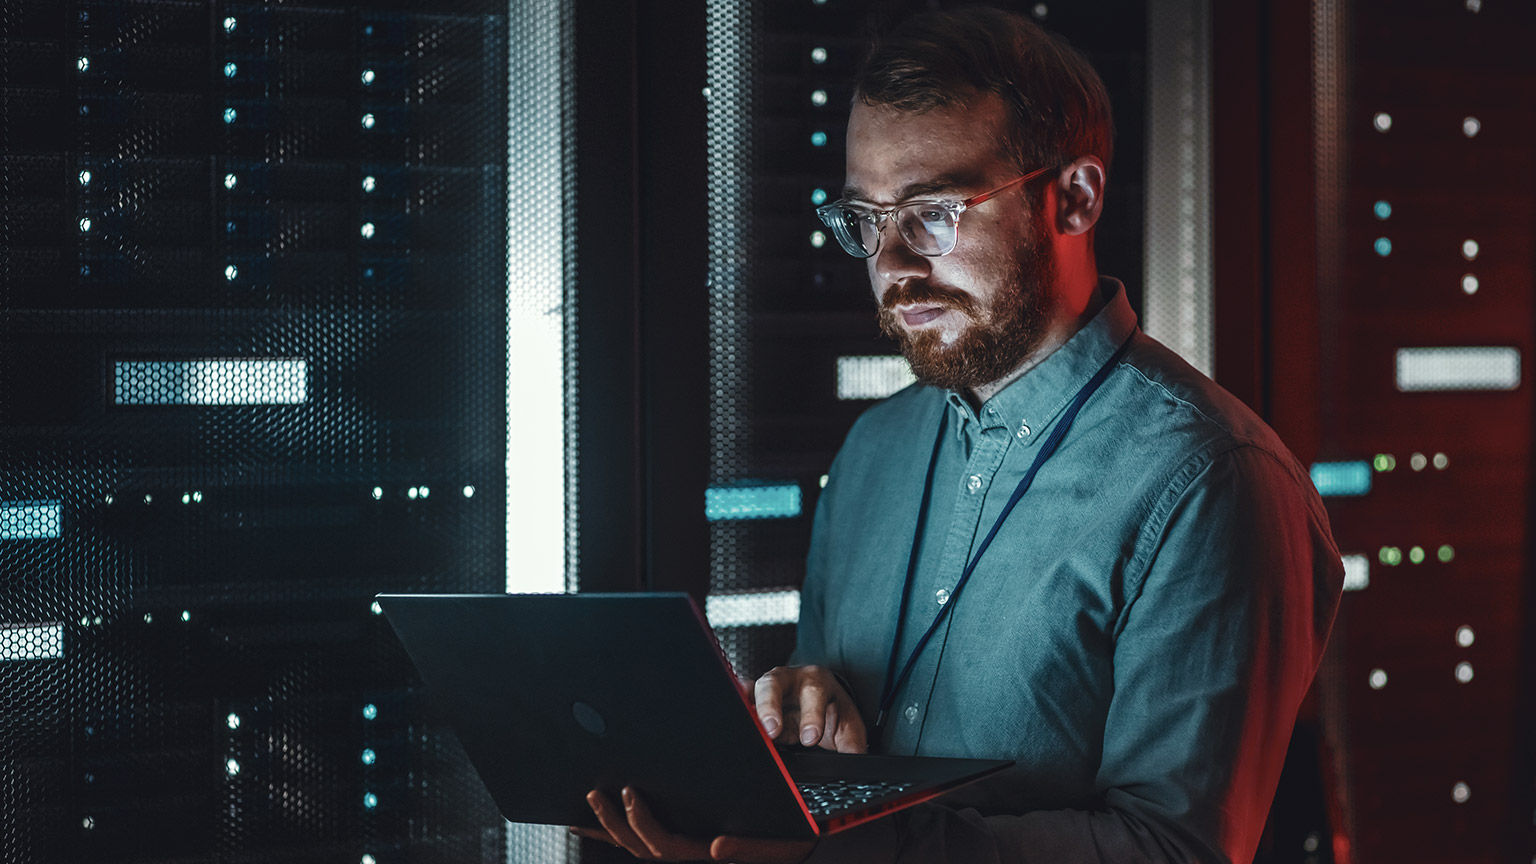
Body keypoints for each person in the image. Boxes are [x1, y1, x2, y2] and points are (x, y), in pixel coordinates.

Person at [575, 7, 1344, 862]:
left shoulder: (1214, 481)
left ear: (1076, 198)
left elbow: (1172, 850)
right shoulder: (872, 454)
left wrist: (844, 857)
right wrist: (797, 730)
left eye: (933, 212)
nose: (895, 267)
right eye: (867, 220)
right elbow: (830, 761)